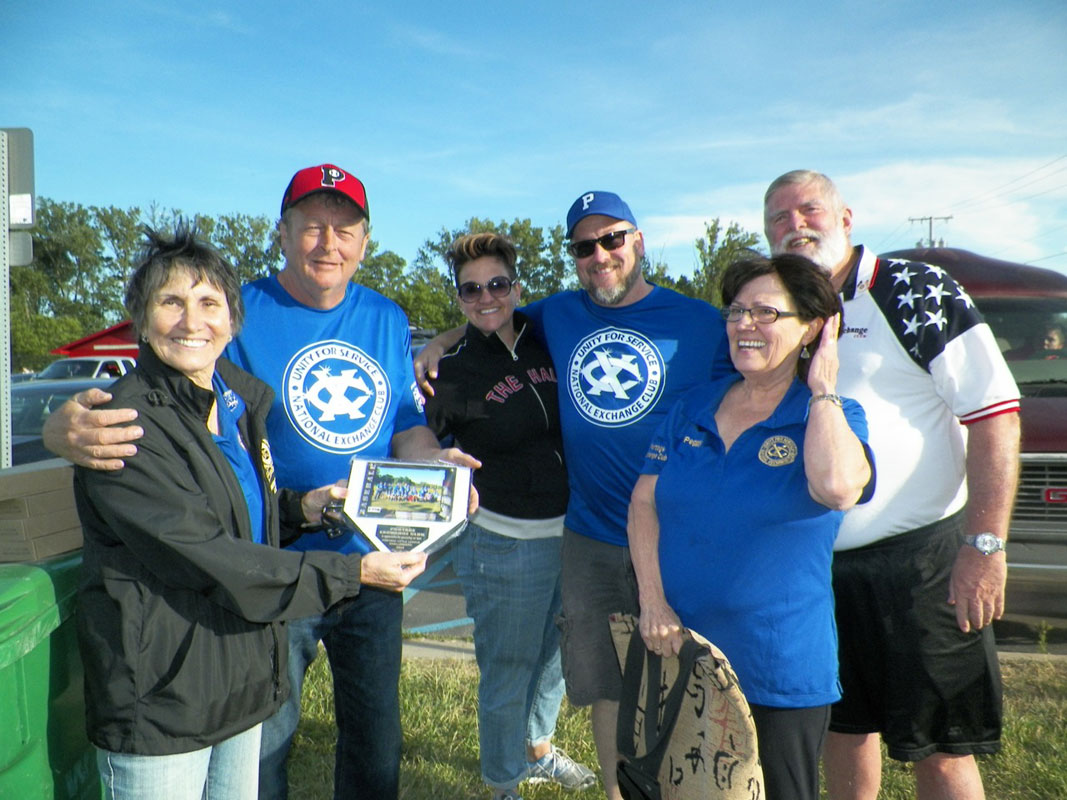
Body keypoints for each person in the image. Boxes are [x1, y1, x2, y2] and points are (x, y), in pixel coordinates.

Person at [43, 163, 480, 800]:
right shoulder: (238, 310)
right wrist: (64, 425)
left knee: (374, 743)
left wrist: (432, 463)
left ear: (365, 241)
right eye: (311, 227)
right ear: (282, 233)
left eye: (345, 229)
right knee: (265, 743)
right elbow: (164, 383)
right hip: (267, 571)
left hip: (369, 555)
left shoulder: (386, 316)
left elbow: (405, 423)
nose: (328, 243)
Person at [416, 192, 733, 799]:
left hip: (672, 533)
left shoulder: (696, 320)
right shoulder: (558, 315)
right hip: (580, 536)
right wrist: (440, 341)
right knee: (601, 678)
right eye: (585, 246)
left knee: (674, 676)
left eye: (612, 239)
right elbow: (488, 320)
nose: (600, 255)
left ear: (638, 240)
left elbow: (751, 382)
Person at [763, 169, 1021, 800]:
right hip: (818, 565)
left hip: (923, 564)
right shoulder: (774, 308)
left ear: (846, 218)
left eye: (809, 210)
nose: (794, 225)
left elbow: (995, 414)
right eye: (778, 218)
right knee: (844, 730)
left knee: (940, 744)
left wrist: (984, 545)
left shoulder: (914, 289)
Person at [628, 253, 873, 800]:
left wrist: (823, 384)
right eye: (736, 311)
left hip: (777, 670)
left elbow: (836, 488)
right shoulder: (691, 405)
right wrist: (652, 601)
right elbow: (643, 503)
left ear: (811, 327)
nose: (744, 325)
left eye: (765, 312)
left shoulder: (832, 416)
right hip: (681, 654)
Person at [423, 232, 595, 800]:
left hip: (571, 532)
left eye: (497, 284)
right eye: (471, 290)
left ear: (516, 286)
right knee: (508, 668)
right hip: (502, 541)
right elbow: (423, 441)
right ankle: (502, 782)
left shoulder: (550, 337)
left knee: (555, 657)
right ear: (460, 297)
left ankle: (537, 748)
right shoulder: (451, 371)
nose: (486, 297)